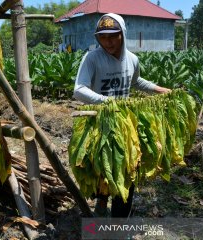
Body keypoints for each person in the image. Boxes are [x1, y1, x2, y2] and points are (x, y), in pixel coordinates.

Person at [73, 13, 171, 217]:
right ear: (97, 37)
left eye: (113, 36)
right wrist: (108, 101)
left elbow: (135, 81)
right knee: (102, 169)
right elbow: (79, 89)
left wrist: (159, 89)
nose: (107, 42)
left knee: (127, 171)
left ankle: (119, 221)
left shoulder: (133, 59)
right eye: (102, 37)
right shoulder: (92, 58)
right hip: (99, 122)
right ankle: (101, 202)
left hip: (125, 124)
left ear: (122, 35)